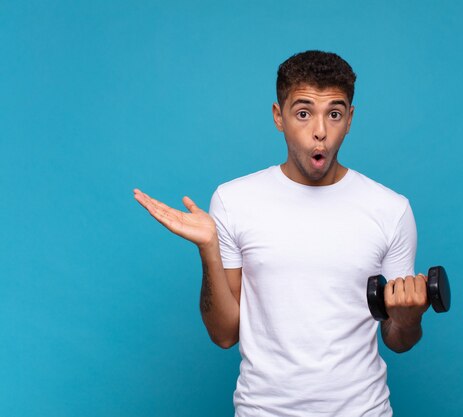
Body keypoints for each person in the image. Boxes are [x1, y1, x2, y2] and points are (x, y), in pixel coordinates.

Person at [134, 50, 430, 417]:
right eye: (303, 113)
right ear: (279, 117)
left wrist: (410, 316)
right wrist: (208, 249)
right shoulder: (233, 200)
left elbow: (399, 340)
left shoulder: (391, 209)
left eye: (334, 114)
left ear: (350, 119)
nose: (319, 130)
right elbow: (224, 334)